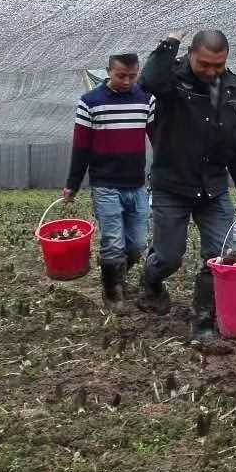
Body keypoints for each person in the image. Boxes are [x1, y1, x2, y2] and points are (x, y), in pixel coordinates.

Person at [137, 29, 236, 353]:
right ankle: (150, 278)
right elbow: (146, 82)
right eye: (205, 64)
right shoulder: (171, 79)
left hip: (214, 188)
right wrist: (168, 43)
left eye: (218, 65)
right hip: (171, 186)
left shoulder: (233, 86)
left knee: (220, 258)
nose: (211, 71)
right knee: (170, 257)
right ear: (190, 54)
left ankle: (203, 325)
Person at [63, 53, 155, 313]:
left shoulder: (145, 100)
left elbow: (158, 139)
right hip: (105, 184)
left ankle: (120, 274)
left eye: (132, 75)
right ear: (108, 72)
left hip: (137, 184)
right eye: (120, 75)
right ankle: (111, 290)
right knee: (113, 241)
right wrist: (73, 183)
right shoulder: (90, 102)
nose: (127, 81)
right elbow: (81, 147)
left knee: (137, 243)